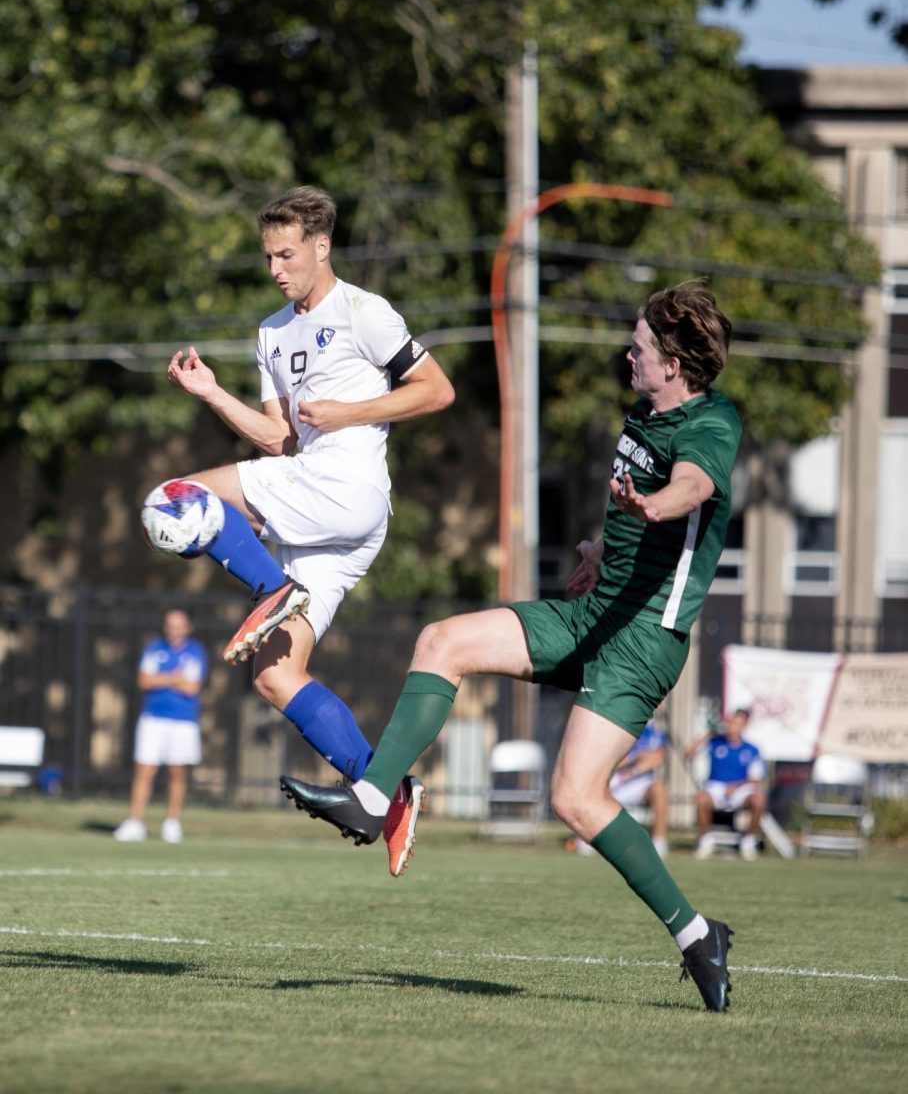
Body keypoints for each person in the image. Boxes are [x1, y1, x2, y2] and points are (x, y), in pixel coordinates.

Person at [280, 281, 743, 1013]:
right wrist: (600, 544)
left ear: (676, 363)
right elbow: (638, 525)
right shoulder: (641, 412)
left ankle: (696, 934)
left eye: (641, 347)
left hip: (642, 642)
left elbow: (691, 487)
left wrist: (653, 505)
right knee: (442, 641)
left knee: (575, 799)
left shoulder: (711, 424)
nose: (629, 353)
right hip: (595, 610)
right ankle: (373, 800)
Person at [144, 185, 454, 876]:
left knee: (172, 498)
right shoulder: (270, 332)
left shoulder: (363, 312)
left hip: (345, 491)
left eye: (288, 254)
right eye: (268, 256)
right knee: (275, 676)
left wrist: (351, 412)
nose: (277, 268)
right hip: (323, 512)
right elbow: (279, 440)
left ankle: (269, 586)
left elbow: (437, 390)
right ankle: (387, 791)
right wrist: (212, 394)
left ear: (322, 247)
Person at [114, 608, 208, 843]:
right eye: (170, 625)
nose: (174, 630)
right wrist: (175, 677)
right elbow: (144, 681)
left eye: (179, 625)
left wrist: (162, 679)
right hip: (152, 718)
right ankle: (136, 821)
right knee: (144, 770)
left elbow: (192, 687)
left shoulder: (196, 652)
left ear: (187, 627)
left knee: (177, 772)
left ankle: (172, 822)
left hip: (183, 721)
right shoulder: (154, 648)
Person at [572, 719, 671, 858]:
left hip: (639, 782)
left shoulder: (654, 730)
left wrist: (632, 771)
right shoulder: (614, 726)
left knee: (660, 789)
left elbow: (658, 757)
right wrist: (634, 758)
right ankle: (589, 838)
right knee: (589, 791)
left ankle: (659, 841)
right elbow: (604, 760)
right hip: (612, 780)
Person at [686, 708, 767, 860]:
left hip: (739, 790)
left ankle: (748, 843)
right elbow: (688, 754)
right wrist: (708, 733)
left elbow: (757, 778)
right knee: (701, 798)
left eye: (737, 723)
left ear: (744, 725)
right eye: (731, 722)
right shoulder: (714, 742)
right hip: (716, 787)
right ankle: (706, 842)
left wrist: (735, 787)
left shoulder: (752, 749)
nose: (732, 726)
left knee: (758, 801)